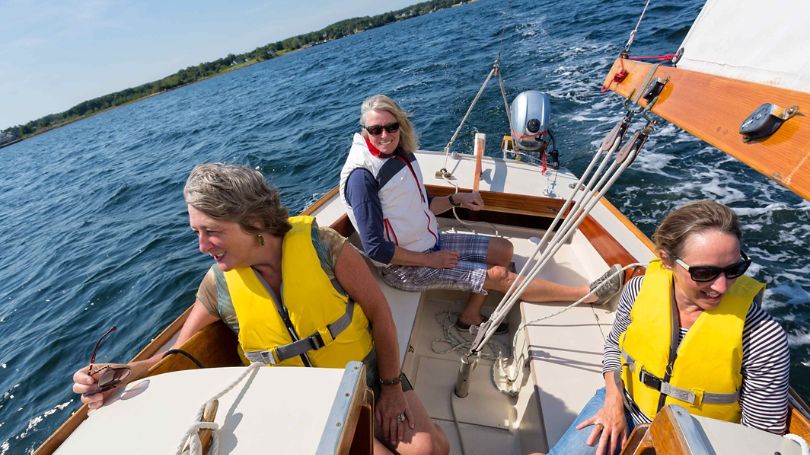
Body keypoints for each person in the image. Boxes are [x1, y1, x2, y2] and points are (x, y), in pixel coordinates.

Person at [72, 163, 449, 455]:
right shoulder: (218, 286)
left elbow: (380, 313)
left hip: (367, 375)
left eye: (211, 231)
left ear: (253, 222)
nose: (202, 245)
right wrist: (120, 373)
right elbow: (175, 358)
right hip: (307, 401)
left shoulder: (323, 246)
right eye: (196, 233)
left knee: (431, 449)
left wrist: (390, 388)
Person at [339, 95, 623, 333]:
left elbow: (421, 203)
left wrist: (455, 199)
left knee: (504, 249)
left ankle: (469, 316)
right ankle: (588, 294)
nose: (385, 135)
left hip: (428, 243)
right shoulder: (362, 178)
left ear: (400, 124)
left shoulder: (397, 154)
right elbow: (376, 249)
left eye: (390, 127)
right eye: (376, 131)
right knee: (499, 275)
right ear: (365, 132)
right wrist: (430, 260)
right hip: (404, 267)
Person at [549, 200, 791, 455]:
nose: (721, 286)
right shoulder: (638, 291)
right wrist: (612, 399)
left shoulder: (761, 336)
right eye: (704, 272)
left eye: (734, 269)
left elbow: (757, 436)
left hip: (698, 444)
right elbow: (614, 347)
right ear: (666, 260)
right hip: (627, 407)